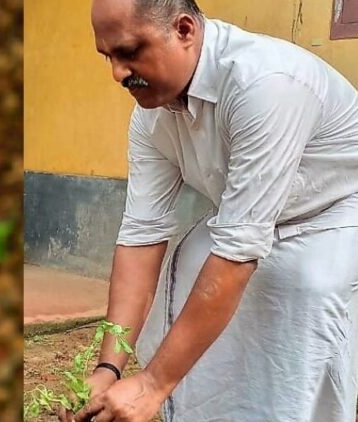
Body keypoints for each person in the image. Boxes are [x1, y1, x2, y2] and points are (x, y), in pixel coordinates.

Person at [60, 0, 358, 421]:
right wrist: (109, 368)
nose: (117, 74)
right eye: (108, 57)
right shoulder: (151, 116)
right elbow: (141, 235)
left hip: (337, 211)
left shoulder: (266, 83)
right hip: (248, 215)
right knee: (186, 274)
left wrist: (151, 384)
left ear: (184, 30)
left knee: (303, 297)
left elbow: (238, 250)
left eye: (129, 52)